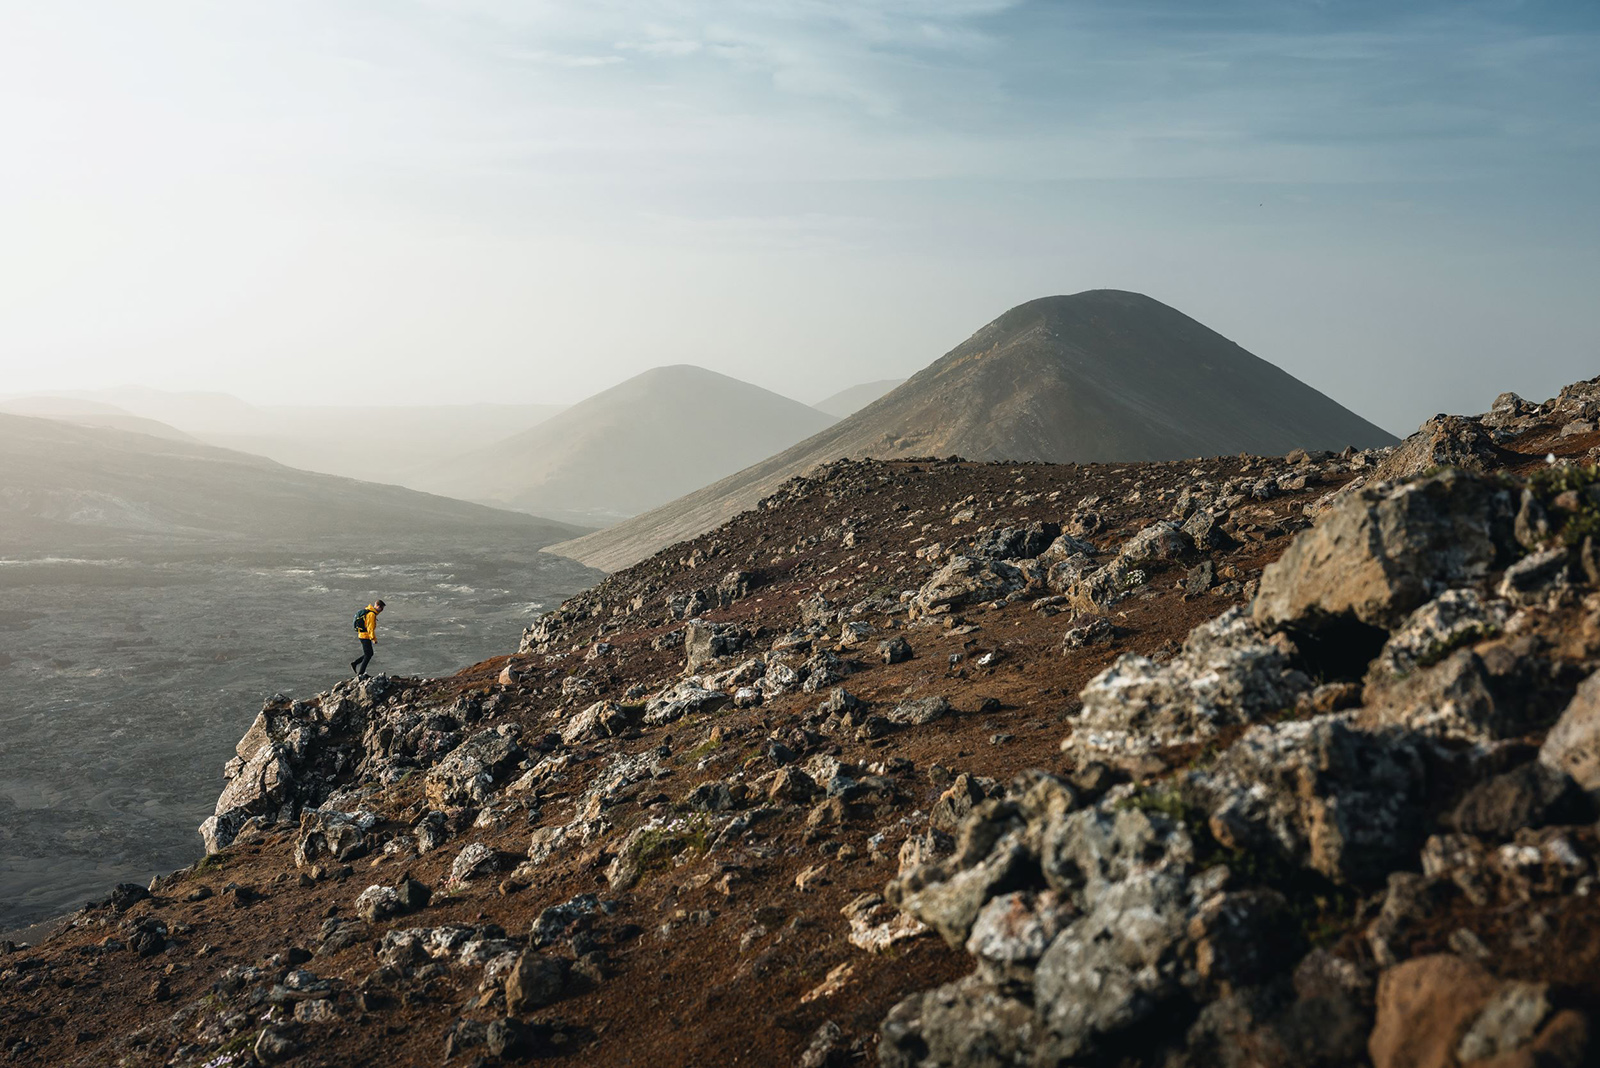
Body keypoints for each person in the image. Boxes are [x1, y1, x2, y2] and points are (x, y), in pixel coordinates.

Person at [351, 599, 385, 678]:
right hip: (365, 636)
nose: (382, 610)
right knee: (368, 654)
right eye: (381, 608)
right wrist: (373, 639)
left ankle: (356, 663)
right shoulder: (371, 614)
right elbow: (370, 628)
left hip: (363, 635)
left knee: (369, 654)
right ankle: (360, 673)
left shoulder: (368, 611)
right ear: (377, 606)